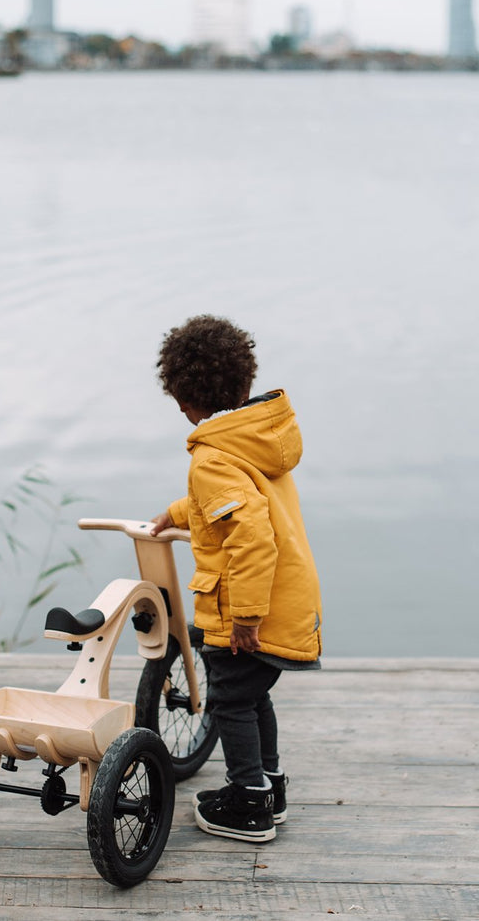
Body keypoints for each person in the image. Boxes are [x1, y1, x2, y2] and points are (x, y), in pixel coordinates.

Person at [149, 314, 322, 843]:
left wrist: (245, 616)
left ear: (184, 398)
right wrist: (179, 513)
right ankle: (269, 785)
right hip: (291, 598)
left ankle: (247, 803)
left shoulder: (211, 459)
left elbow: (250, 537)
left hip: (248, 611)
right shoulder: (253, 441)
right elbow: (244, 504)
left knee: (230, 700)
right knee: (252, 696)